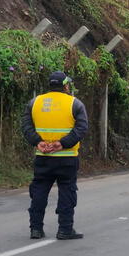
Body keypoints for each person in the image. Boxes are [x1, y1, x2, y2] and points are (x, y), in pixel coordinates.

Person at [21, 71, 88, 240]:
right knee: (67, 192)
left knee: (39, 192)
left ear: (50, 85)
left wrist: (38, 142)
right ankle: (65, 230)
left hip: (43, 157)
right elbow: (81, 128)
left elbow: (26, 126)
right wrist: (62, 143)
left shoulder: (34, 103)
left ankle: (35, 229)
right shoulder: (75, 104)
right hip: (67, 158)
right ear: (66, 86)